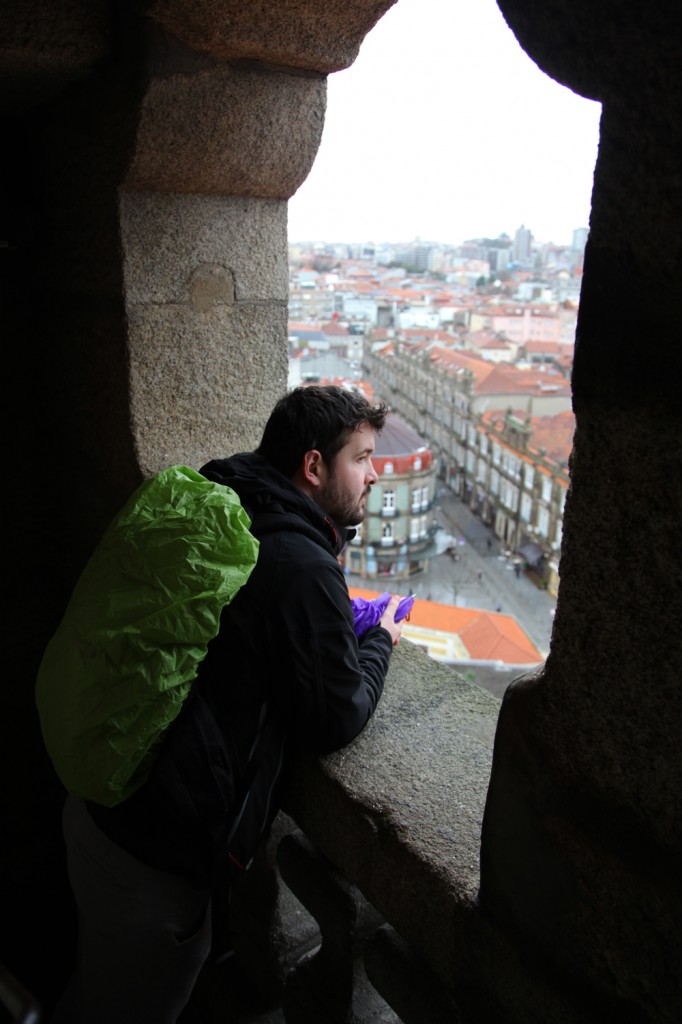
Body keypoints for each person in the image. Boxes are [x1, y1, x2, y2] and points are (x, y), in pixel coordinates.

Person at [51, 384, 405, 1024]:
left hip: (104, 802)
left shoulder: (229, 492)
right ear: (314, 466)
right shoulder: (299, 563)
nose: (374, 474)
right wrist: (379, 641)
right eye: (362, 457)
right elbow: (335, 715)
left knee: (94, 985)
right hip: (153, 863)